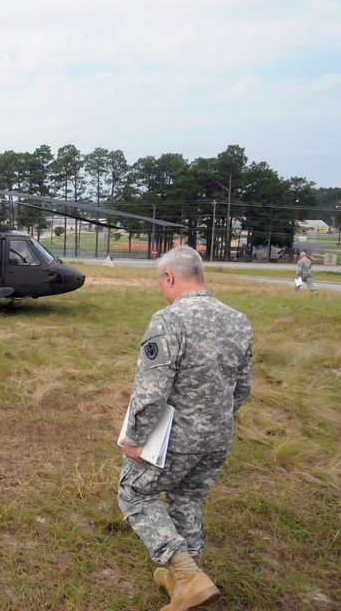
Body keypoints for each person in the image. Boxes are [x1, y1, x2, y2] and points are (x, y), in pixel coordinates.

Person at [117, 245, 253, 609]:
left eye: (161, 282)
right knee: (187, 498)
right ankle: (186, 580)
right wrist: (214, 420)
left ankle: (186, 573)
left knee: (133, 494)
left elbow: (151, 392)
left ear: (170, 277)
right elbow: (242, 388)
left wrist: (135, 439)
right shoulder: (238, 319)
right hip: (217, 438)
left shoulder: (169, 320)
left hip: (172, 441)